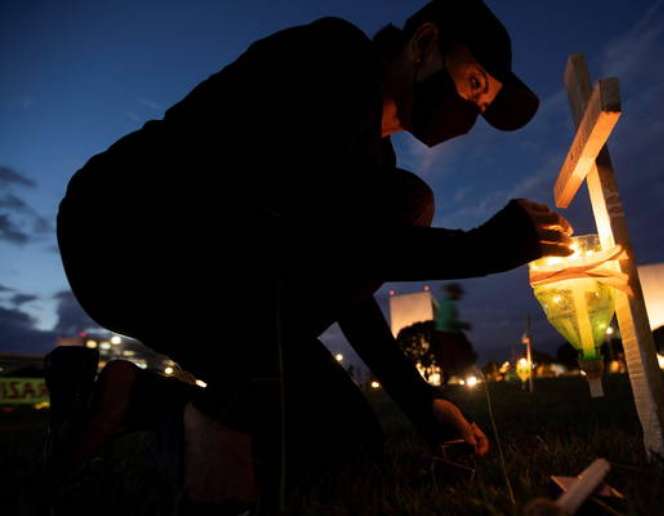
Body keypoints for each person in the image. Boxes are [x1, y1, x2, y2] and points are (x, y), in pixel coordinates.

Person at [53, 0, 573, 508]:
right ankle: (224, 415)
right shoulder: (333, 58)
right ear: (425, 43)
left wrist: (421, 403)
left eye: (479, 107)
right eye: (473, 84)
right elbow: (343, 242)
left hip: (221, 281)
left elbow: (347, 280)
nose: (468, 112)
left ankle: (128, 398)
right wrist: (492, 245)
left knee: (349, 445)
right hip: (129, 228)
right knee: (407, 202)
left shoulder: (372, 158)